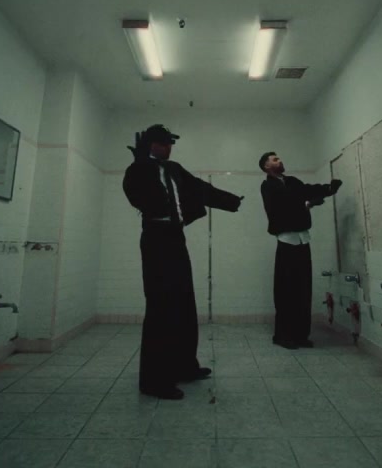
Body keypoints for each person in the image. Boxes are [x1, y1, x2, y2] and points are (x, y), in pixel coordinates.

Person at [123, 124, 243, 399]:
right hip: (155, 238)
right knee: (160, 307)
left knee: (184, 303)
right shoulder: (138, 170)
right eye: (164, 143)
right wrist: (141, 164)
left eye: (170, 143)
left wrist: (230, 201)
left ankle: (184, 366)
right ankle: (154, 381)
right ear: (151, 145)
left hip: (176, 238)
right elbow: (137, 196)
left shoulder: (174, 169)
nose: (169, 148)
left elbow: (199, 188)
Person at [259, 151, 341, 350]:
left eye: (279, 157)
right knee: (286, 291)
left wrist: (328, 189)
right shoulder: (268, 186)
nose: (280, 160)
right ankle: (283, 336)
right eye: (275, 159)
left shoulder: (293, 181)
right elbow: (281, 206)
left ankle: (300, 335)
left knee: (303, 290)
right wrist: (306, 203)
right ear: (266, 167)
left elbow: (308, 190)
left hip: (303, 240)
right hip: (287, 242)